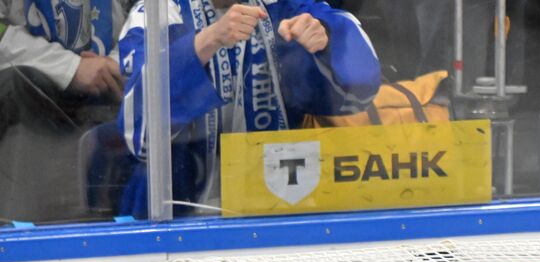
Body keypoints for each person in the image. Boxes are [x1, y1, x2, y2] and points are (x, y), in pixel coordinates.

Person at [117, 0, 380, 217]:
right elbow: (138, 132)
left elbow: (361, 91)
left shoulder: (284, 6)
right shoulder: (156, 12)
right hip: (178, 220)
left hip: (279, 207)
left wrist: (326, 36)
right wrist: (206, 42)